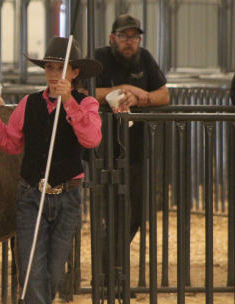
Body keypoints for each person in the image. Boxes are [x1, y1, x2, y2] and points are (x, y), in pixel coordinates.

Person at [0, 37, 103, 304]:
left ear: (74, 73)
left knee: (52, 272)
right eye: (49, 67)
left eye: (60, 68)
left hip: (68, 197)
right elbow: (11, 143)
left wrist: (69, 104)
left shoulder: (86, 105)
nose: (53, 74)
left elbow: (91, 139)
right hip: (31, 195)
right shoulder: (29, 104)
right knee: (31, 273)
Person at [93, 14, 170, 279]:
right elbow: (87, 93)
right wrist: (126, 87)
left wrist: (138, 100)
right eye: (125, 36)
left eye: (135, 37)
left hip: (136, 150)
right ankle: (107, 273)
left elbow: (164, 95)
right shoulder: (99, 58)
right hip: (102, 152)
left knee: (135, 214)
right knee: (109, 214)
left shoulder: (144, 58)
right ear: (112, 38)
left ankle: (110, 267)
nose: (130, 42)